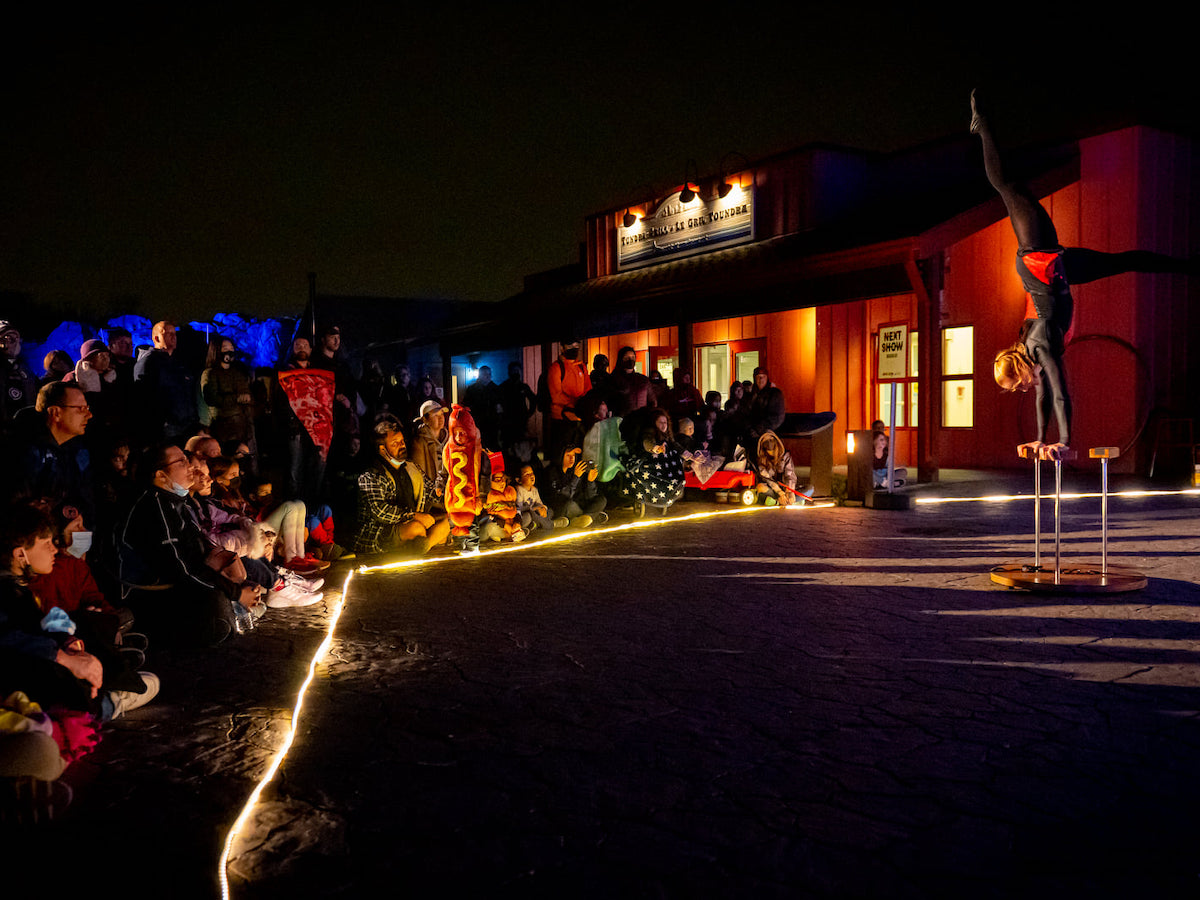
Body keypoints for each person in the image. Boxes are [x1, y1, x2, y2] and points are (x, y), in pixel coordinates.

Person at [973, 89, 1194, 461]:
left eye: (1015, 386)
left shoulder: (1039, 343)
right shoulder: (1034, 353)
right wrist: (1041, 439)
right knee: (1124, 261)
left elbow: (1060, 393)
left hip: (1039, 256)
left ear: (1019, 369)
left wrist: (1064, 441)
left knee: (1007, 187)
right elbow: (1045, 394)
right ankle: (1189, 265)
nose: (1021, 391)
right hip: (1060, 269)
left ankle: (982, 126)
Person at [355, 415, 449, 556]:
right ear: (382, 449)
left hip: (415, 523)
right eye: (395, 443)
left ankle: (423, 545)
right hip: (382, 532)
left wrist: (451, 498)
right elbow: (380, 511)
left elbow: (431, 491)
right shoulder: (371, 475)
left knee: (446, 521)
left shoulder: (411, 468)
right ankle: (423, 542)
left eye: (402, 441)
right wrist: (412, 516)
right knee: (416, 528)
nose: (402, 445)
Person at [134, 320, 199, 445]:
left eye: (174, 333)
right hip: (166, 428)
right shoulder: (148, 362)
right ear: (156, 338)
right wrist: (162, 421)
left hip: (185, 425)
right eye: (167, 333)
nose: (173, 337)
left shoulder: (177, 363)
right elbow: (145, 396)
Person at [201, 335, 257, 461]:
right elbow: (211, 398)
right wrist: (236, 398)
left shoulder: (237, 373)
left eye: (231, 348)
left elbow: (248, 393)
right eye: (225, 348)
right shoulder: (210, 373)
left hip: (243, 423)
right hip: (224, 427)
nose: (229, 351)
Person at [463, 365, 502, 449]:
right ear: (480, 376)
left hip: (492, 425)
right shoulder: (472, 390)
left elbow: (500, 408)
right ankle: (480, 462)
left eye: (489, 374)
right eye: (485, 374)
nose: (487, 376)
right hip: (477, 424)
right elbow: (466, 406)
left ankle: (497, 463)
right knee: (477, 448)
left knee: (494, 448)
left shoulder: (496, 390)